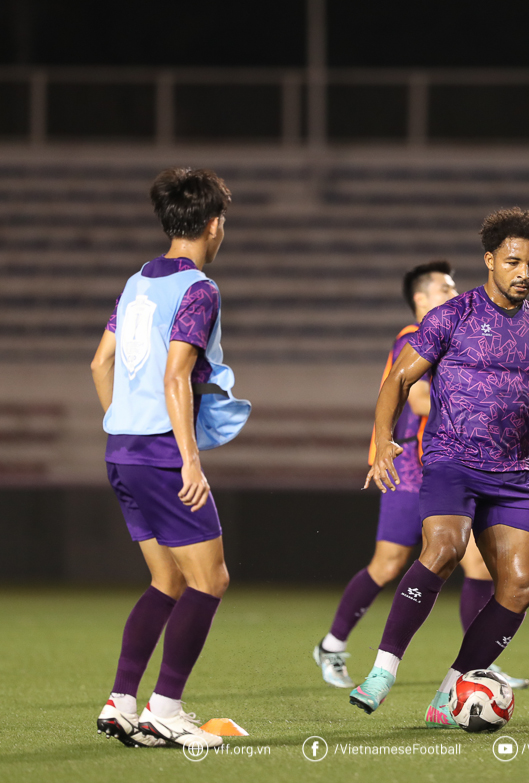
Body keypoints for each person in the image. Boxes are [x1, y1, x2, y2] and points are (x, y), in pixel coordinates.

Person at [349, 207, 529, 727]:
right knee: (444, 548)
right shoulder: (451, 316)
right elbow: (397, 382)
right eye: (514, 261)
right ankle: (382, 669)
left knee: (521, 585)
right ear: (489, 260)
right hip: (451, 461)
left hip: (512, 474)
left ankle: (452, 689)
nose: (524, 272)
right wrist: (380, 441)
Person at [312, 260, 528, 691]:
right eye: (444, 289)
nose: (454, 294)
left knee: (479, 568)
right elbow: (421, 399)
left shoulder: (452, 338)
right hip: (412, 468)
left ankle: (476, 665)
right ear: (421, 299)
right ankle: (332, 645)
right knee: (387, 564)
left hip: (450, 469)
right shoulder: (412, 339)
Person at [91, 167, 250, 749]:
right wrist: (188, 459)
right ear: (213, 225)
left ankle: (121, 701)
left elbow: (99, 364)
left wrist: (124, 427)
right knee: (209, 580)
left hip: (122, 451)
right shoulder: (198, 288)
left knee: (166, 579)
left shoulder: (136, 283)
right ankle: (165, 709)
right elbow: (177, 374)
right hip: (160, 454)